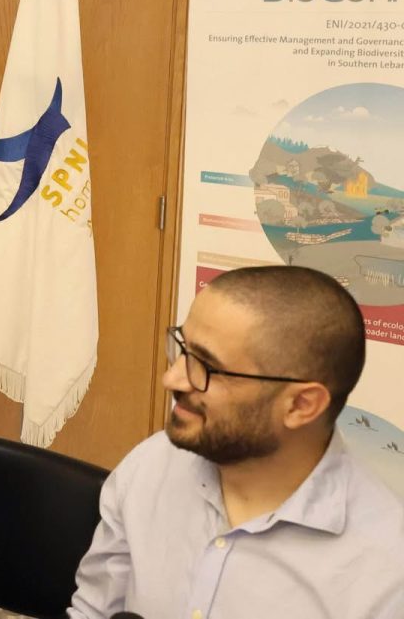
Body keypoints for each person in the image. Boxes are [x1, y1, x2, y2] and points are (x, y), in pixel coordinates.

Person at [69, 265, 404, 619]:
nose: (172, 379)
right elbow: (93, 612)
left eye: (207, 367)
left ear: (301, 405)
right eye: (182, 349)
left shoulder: (386, 573)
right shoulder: (152, 463)